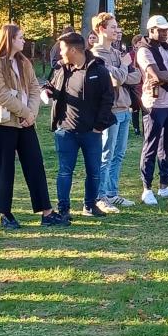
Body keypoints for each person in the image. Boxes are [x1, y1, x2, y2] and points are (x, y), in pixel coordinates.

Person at [0, 24, 68, 229]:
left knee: (35, 164)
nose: (23, 40)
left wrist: (31, 114)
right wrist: (25, 112)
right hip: (4, 123)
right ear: (9, 39)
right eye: (20, 37)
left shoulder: (24, 62)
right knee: (5, 167)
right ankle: (5, 213)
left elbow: (34, 90)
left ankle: (46, 212)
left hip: (25, 122)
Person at [44, 32, 115, 218]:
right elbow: (51, 87)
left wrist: (98, 126)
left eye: (62, 49)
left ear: (73, 49)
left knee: (93, 171)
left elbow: (108, 99)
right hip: (66, 130)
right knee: (65, 171)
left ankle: (90, 206)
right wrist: (47, 92)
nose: (60, 53)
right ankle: (64, 209)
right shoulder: (61, 69)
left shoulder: (98, 70)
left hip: (91, 132)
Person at [90, 12, 141, 212]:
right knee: (106, 155)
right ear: (101, 29)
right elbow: (115, 79)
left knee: (119, 155)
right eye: (112, 27)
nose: (116, 30)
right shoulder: (96, 55)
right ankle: (100, 197)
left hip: (125, 108)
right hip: (109, 111)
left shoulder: (117, 53)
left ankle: (112, 193)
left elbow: (136, 76)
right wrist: (125, 66)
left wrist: (122, 69)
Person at [135, 15, 168, 205]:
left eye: (166, 30)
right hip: (153, 105)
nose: (165, 33)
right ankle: (146, 188)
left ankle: (164, 186)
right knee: (150, 146)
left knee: (167, 146)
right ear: (151, 30)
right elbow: (155, 75)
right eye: (161, 30)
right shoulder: (144, 51)